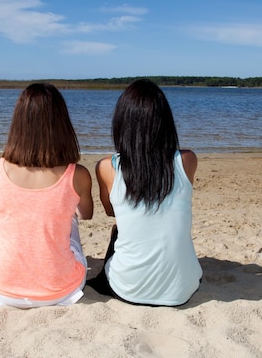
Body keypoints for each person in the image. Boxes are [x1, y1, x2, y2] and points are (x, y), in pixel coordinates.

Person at [87, 79, 202, 306]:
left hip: (127, 289)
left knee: (118, 229)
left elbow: (111, 212)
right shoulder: (187, 160)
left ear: (122, 123)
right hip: (183, 289)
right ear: (165, 123)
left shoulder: (106, 167)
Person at [0, 83, 93, 308]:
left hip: (2, 289)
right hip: (59, 291)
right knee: (70, 216)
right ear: (62, 124)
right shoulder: (76, 174)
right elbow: (86, 214)